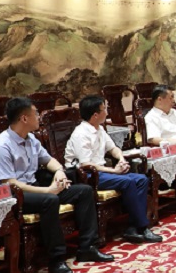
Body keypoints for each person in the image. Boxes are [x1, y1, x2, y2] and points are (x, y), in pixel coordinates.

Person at [0, 97, 114, 273]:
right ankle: (56, 259)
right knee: (50, 199)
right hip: (9, 196)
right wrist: (48, 190)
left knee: (84, 191)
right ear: (24, 118)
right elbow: (9, 183)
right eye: (36, 113)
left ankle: (87, 247)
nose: (39, 117)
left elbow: (49, 160)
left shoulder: (31, 139)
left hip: (32, 187)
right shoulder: (1, 146)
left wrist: (59, 172)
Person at [65, 96, 162, 244]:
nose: (107, 112)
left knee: (142, 179)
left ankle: (132, 228)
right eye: (104, 109)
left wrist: (121, 159)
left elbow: (113, 148)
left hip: (102, 171)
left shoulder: (99, 129)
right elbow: (86, 164)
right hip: (88, 175)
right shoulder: (80, 134)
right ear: (95, 115)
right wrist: (114, 171)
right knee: (128, 182)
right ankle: (142, 227)